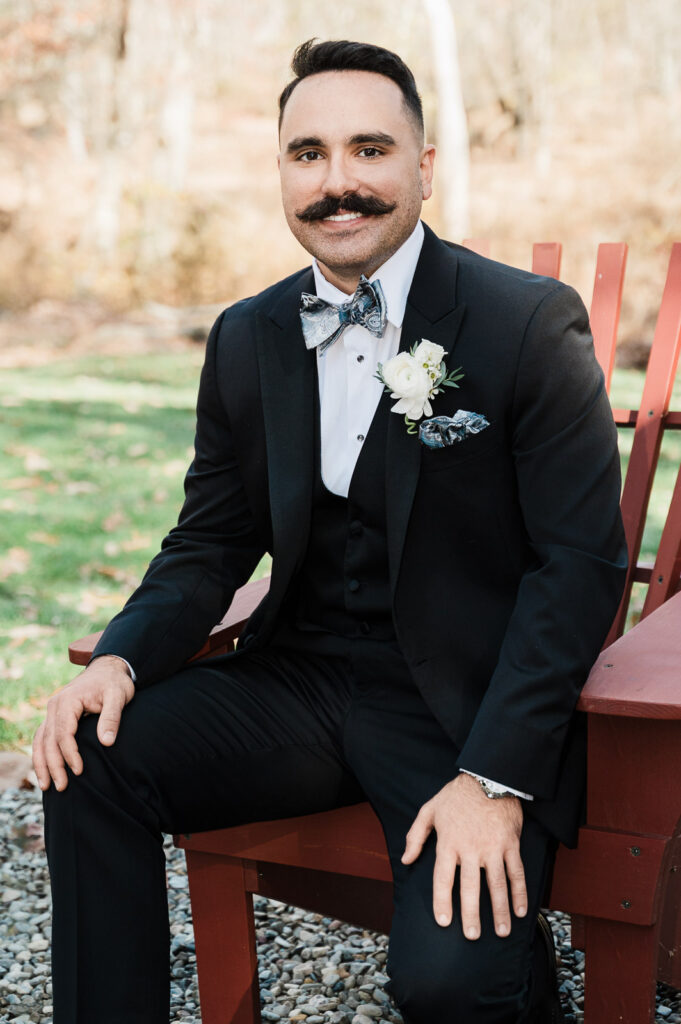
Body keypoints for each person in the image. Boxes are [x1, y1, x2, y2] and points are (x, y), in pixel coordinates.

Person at [33, 38, 627, 1024]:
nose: (338, 182)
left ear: (424, 168)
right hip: (298, 681)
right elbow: (211, 541)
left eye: (369, 150)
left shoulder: (525, 324)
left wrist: (496, 774)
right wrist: (123, 661)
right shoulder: (247, 334)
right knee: (90, 755)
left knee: (451, 984)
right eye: (307, 154)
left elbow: (579, 566)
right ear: (280, 171)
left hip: (459, 715)